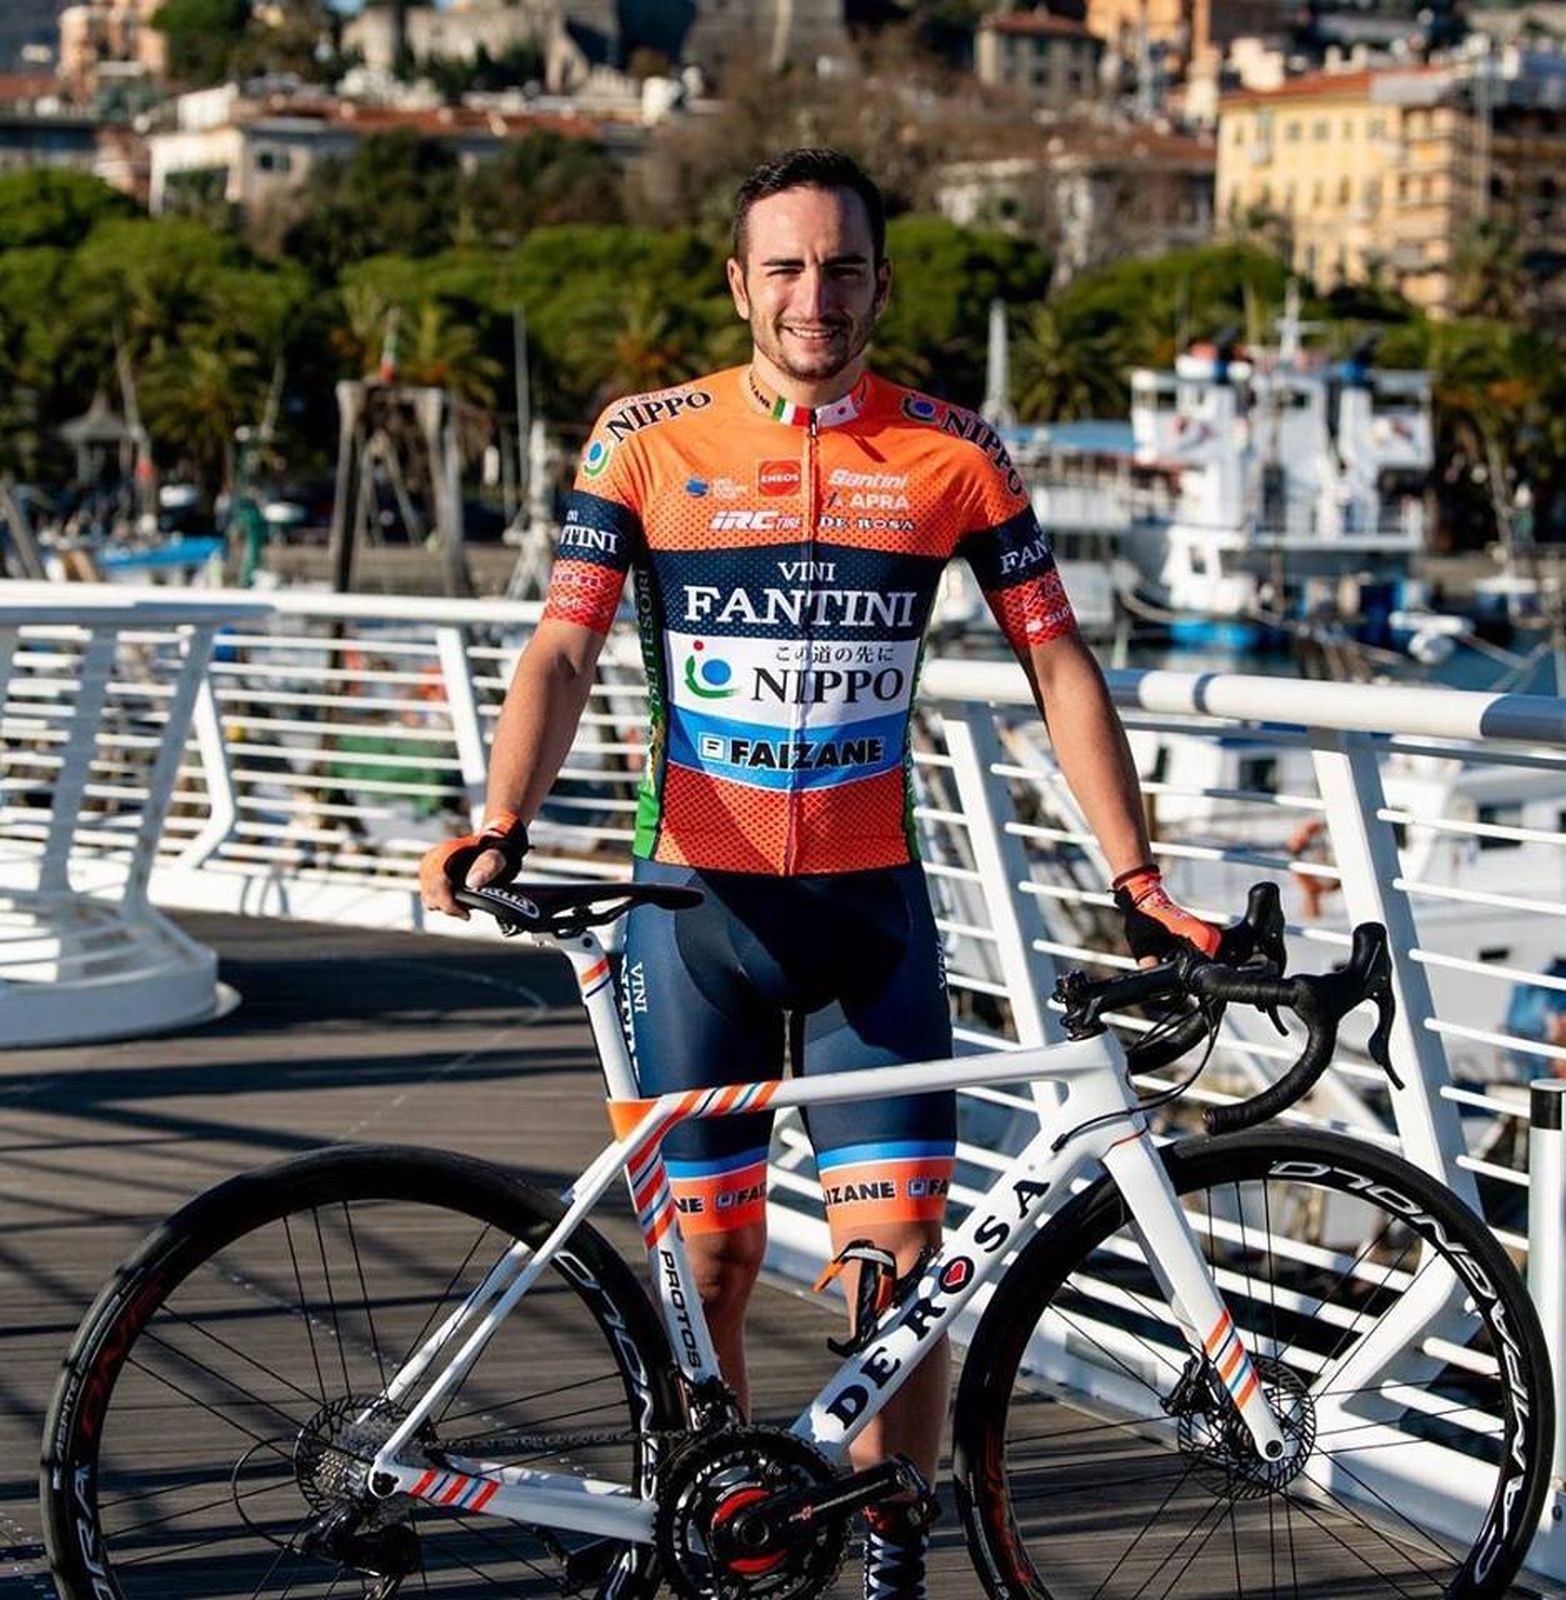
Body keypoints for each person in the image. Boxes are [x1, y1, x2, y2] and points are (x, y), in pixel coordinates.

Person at [420, 147, 1219, 1600]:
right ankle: (722, 1552)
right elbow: (563, 648)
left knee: (903, 1282)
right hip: (693, 915)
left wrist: (1138, 878)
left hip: (870, 921)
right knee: (711, 1267)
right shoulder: (644, 441)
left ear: (881, 285)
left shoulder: (953, 452)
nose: (814, 296)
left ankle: (895, 1570)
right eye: (784, 267)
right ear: (739, 285)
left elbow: (1056, 661)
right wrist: (502, 819)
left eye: (842, 267)